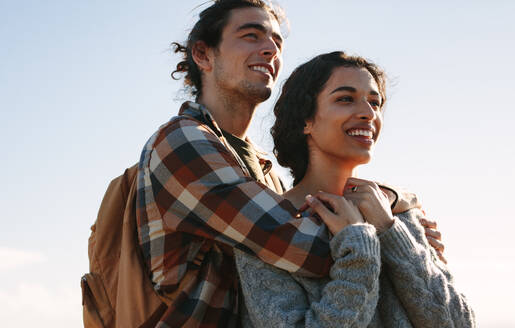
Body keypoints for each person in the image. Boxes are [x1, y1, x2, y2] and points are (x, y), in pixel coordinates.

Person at [137, 1, 444, 326]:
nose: (271, 49)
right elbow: (302, 249)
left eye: (277, 41)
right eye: (251, 35)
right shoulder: (183, 142)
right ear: (203, 54)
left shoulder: (264, 172)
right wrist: (397, 230)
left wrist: (394, 217)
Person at [235, 51, 476, 327]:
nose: (368, 114)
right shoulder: (270, 226)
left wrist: (390, 231)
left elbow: (457, 322)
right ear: (306, 120)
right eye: (345, 99)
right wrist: (359, 249)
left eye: (375, 102)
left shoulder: (395, 215)